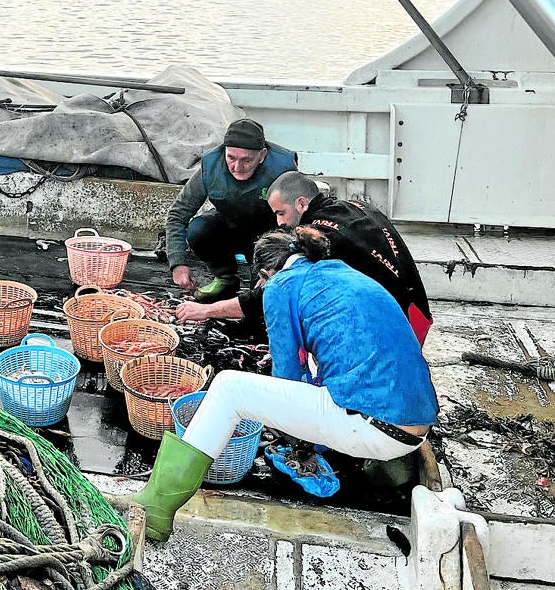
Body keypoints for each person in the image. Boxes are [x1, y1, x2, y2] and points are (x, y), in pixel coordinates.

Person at [130, 226, 438, 542]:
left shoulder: (281, 285)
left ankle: (156, 507)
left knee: (228, 388)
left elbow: (287, 375)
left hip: (376, 428)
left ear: (266, 273)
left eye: (260, 284)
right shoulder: (340, 271)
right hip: (414, 425)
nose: (263, 290)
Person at [175, 170, 432, 344]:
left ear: (301, 204)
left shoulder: (317, 236)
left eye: (280, 213)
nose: (278, 222)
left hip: (396, 331)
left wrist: (207, 310)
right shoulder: (354, 207)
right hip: (418, 314)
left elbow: (271, 294)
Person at [165, 118, 297, 302]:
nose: (237, 167)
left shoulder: (283, 168)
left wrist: (275, 268)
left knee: (259, 299)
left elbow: (296, 221)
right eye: (231, 158)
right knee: (198, 230)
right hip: (229, 225)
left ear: (262, 155)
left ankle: (260, 278)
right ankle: (225, 278)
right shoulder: (210, 166)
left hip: (266, 236)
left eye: (246, 160)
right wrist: (177, 263)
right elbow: (178, 214)